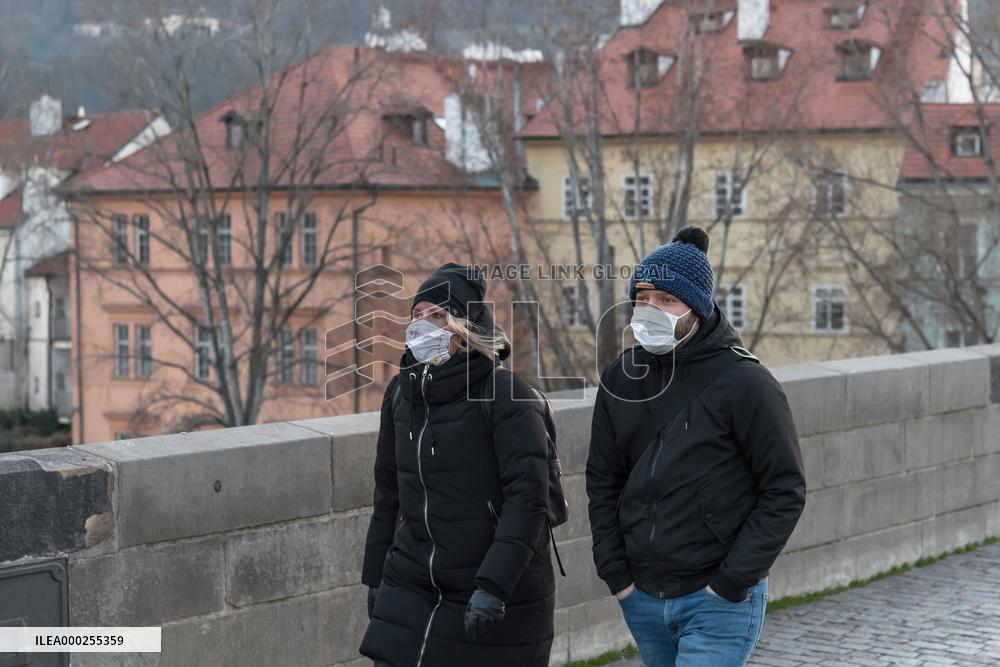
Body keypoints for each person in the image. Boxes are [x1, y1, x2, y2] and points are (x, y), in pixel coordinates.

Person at [586, 227, 807, 667]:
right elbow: (602, 478)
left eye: (666, 300)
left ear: (698, 309)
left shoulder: (747, 383)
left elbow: (785, 490)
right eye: (643, 298)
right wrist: (616, 575)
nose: (650, 310)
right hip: (642, 595)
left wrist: (731, 582)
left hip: (718, 599)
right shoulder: (620, 377)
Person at [360, 263, 555, 667]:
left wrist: (494, 585)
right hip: (411, 584)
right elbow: (389, 493)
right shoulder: (402, 394)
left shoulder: (504, 394)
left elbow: (528, 499)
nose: (423, 326)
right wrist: (375, 575)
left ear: (464, 326)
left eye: (438, 316)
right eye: (417, 315)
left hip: (487, 591)